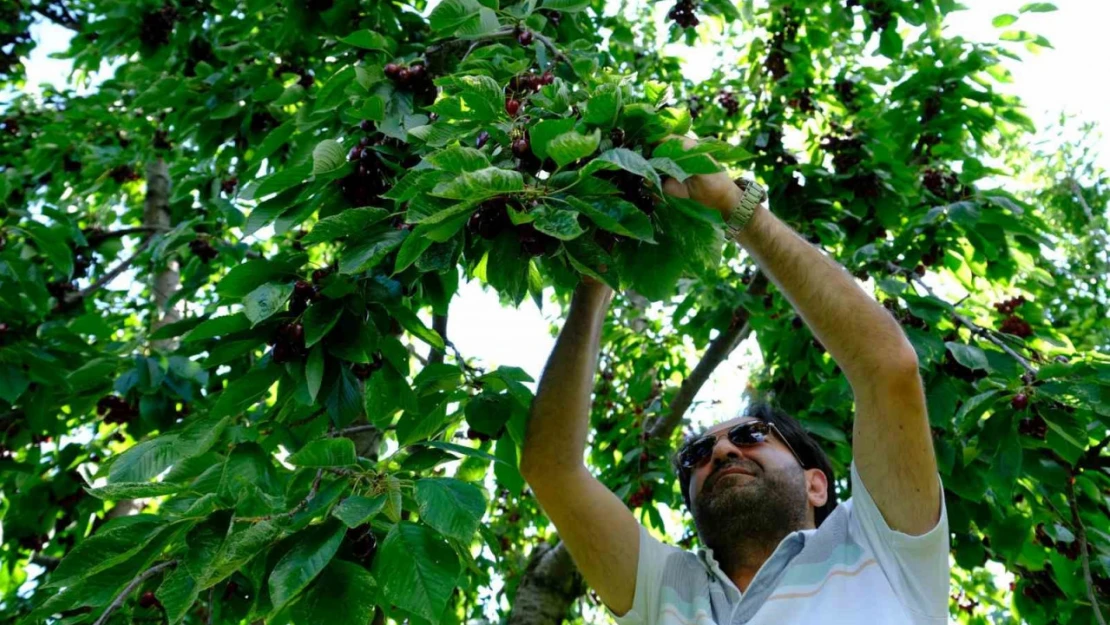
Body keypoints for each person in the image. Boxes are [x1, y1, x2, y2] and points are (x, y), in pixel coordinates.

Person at [519, 136, 949, 624]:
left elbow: (887, 368)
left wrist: (735, 208)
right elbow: (551, 469)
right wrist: (596, 279)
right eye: (695, 457)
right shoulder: (666, 588)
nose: (721, 452)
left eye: (750, 435)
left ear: (816, 485)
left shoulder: (880, 548)